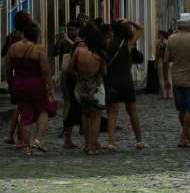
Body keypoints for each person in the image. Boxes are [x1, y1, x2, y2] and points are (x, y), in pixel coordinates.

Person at [6, 22, 57, 155]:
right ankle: (38, 139)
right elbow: (46, 71)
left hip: (19, 82)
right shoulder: (39, 49)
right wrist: (50, 88)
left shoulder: (12, 48)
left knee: (24, 114)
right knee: (44, 109)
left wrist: (12, 85)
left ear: (24, 34)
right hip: (35, 83)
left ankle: (26, 147)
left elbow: (8, 70)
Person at [103, 20, 146, 150]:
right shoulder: (127, 43)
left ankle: (111, 142)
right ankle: (139, 140)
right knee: (132, 111)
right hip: (125, 80)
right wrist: (130, 21)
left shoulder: (108, 43)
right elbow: (141, 29)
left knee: (112, 112)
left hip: (111, 79)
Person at [67, 22, 108, 155]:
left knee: (85, 115)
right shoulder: (99, 54)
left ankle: (86, 144)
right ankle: (92, 145)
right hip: (95, 87)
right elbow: (104, 72)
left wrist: (79, 76)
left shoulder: (79, 50)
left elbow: (70, 69)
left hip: (81, 86)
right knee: (96, 117)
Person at [165, 13, 190, 148]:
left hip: (176, 78)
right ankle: (183, 137)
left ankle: (187, 134)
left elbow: (166, 60)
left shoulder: (171, 39)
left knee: (181, 109)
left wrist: (166, 78)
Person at [58, 21, 85, 148]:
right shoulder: (65, 41)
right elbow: (54, 53)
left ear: (79, 30)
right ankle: (67, 131)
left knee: (80, 106)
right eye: (69, 29)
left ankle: (82, 131)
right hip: (67, 76)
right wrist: (60, 42)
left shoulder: (79, 42)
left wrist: (68, 40)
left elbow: (79, 49)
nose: (70, 32)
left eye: (73, 30)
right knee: (69, 103)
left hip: (78, 76)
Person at [155, 30, 171, 98]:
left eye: (159, 34)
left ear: (162, 35)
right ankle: (170, 94)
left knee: (161, 78)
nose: (158, 35)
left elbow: (157, 54)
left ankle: (164, 94)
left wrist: (155, 63)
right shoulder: (169, 42)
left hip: (161, 61)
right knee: (169, 77)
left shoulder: (159, 43)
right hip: (169, 62)